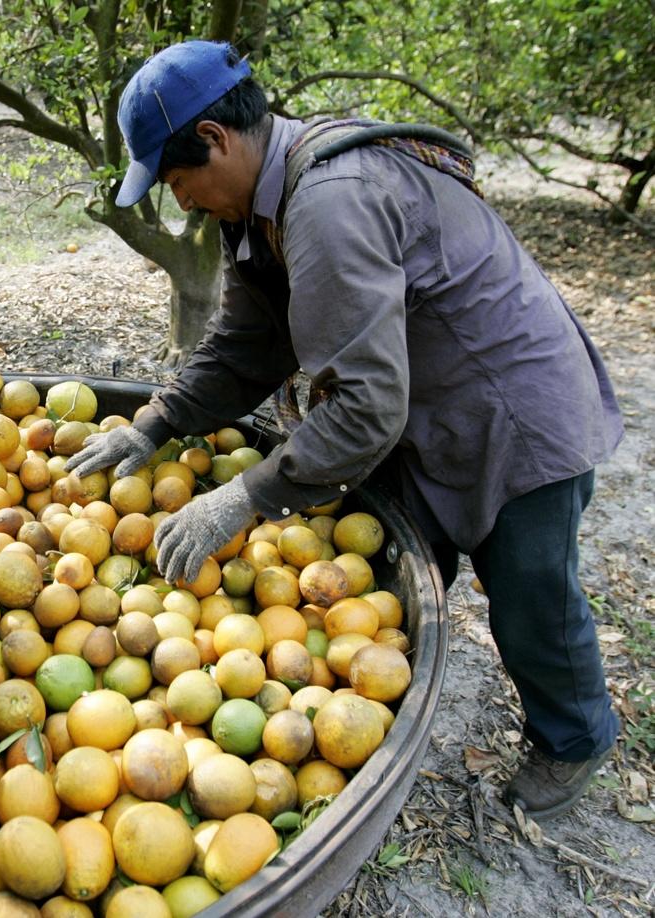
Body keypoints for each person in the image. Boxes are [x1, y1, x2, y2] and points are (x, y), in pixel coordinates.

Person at [65, 39, 622, 820]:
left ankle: (576, 739)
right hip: (420, 395)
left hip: (513, 401)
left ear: (217, 141)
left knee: (530, 587)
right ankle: (373, 678)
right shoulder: (261, 206)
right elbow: (247, 343)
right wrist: (156, 423)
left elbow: (363, 408)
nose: (180, 201)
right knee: (386, 550)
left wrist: (248, 497)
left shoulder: (328, 200)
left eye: (177, 177)